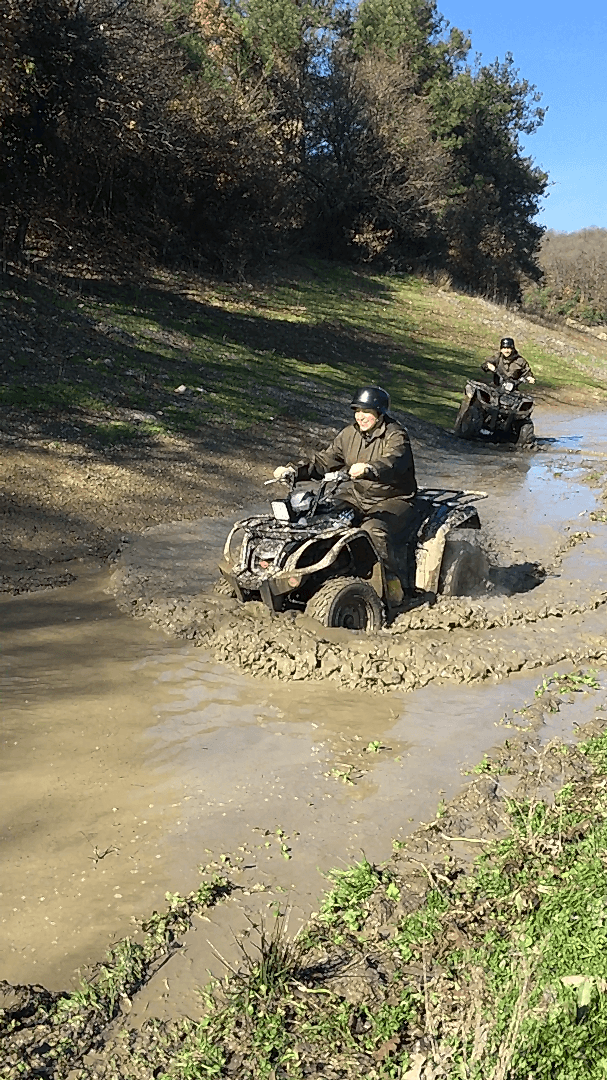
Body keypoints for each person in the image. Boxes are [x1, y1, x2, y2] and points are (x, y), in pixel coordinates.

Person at [273, 386, 418, 603]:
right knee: (322, 519)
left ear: (379, 413)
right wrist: (294, 471)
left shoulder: (396, 435)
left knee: (373, 530)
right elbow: (324, 461)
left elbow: (393, 461)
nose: (361, 416)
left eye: (367, 411)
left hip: (393, 499)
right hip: (356, 495)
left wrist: (370, 468)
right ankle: (319, 573)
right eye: (357, 411)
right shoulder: (349, 434)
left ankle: (392, 588)